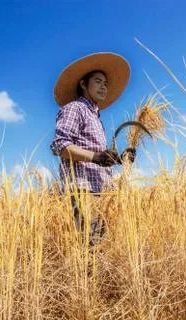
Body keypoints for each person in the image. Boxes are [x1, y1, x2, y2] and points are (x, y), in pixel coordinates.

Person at [50, 52, 135, 245]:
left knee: (98, 252)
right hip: (83, 192)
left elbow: (97, 155)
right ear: (83, 84)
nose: (104, 86)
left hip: (100, 193)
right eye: (98, 81)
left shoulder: (95, 117)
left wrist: (120, 159)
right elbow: (60, 145)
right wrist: (95, 157)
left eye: (105, 83)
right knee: (87, 252)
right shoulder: (75, 108)